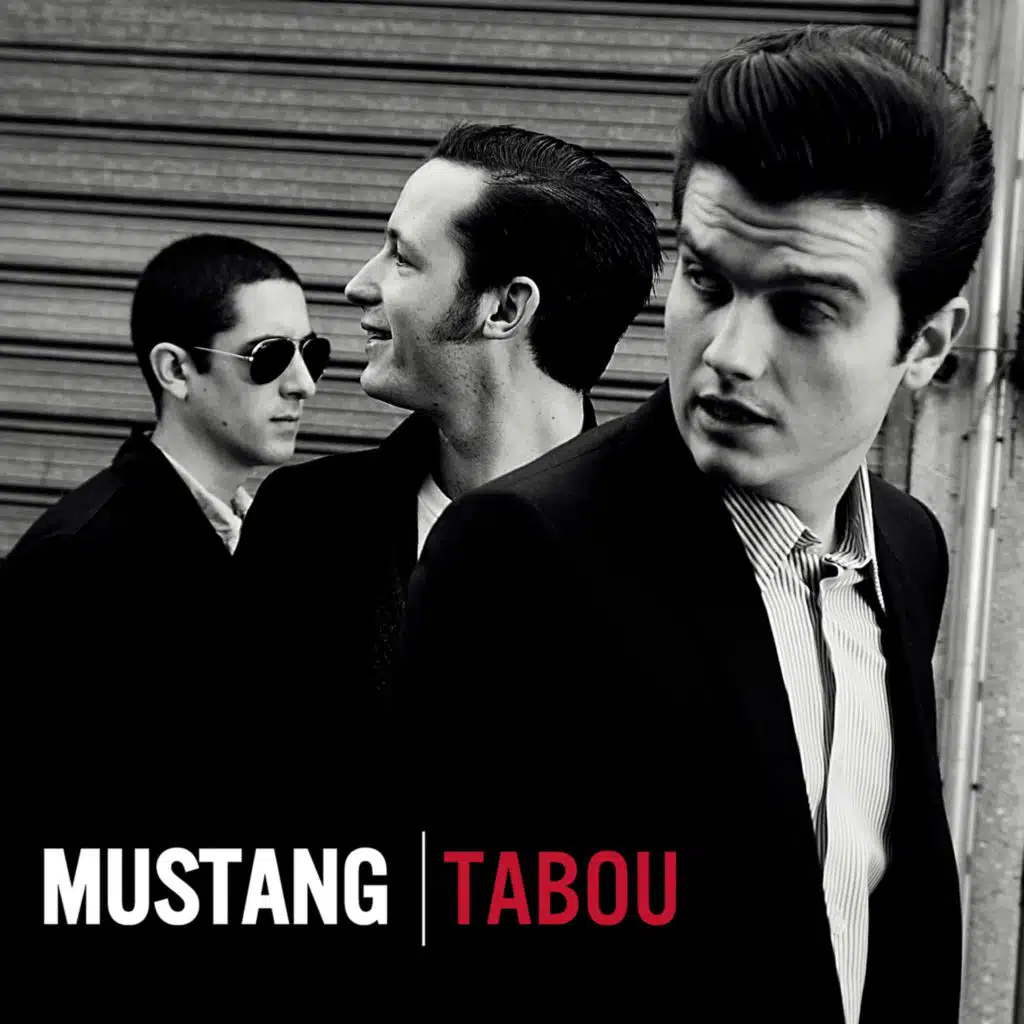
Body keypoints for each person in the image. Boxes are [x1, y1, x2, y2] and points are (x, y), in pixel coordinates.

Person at [398, 26, 993, 1021]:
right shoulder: (520, 551)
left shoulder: (907, 547)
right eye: (708, 281)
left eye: (804, 310)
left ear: (927, 341)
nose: (728, 354)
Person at [236, 122, 662, 705]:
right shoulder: (305, 524)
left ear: (506, 308)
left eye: (402, 258)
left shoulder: (665, 556)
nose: (358, 284)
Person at [2, 233, 327, 837]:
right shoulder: (78, 559)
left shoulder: (266, 538)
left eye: (312, 352)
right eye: (269, 356)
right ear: (176, 370)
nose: (303, 383)